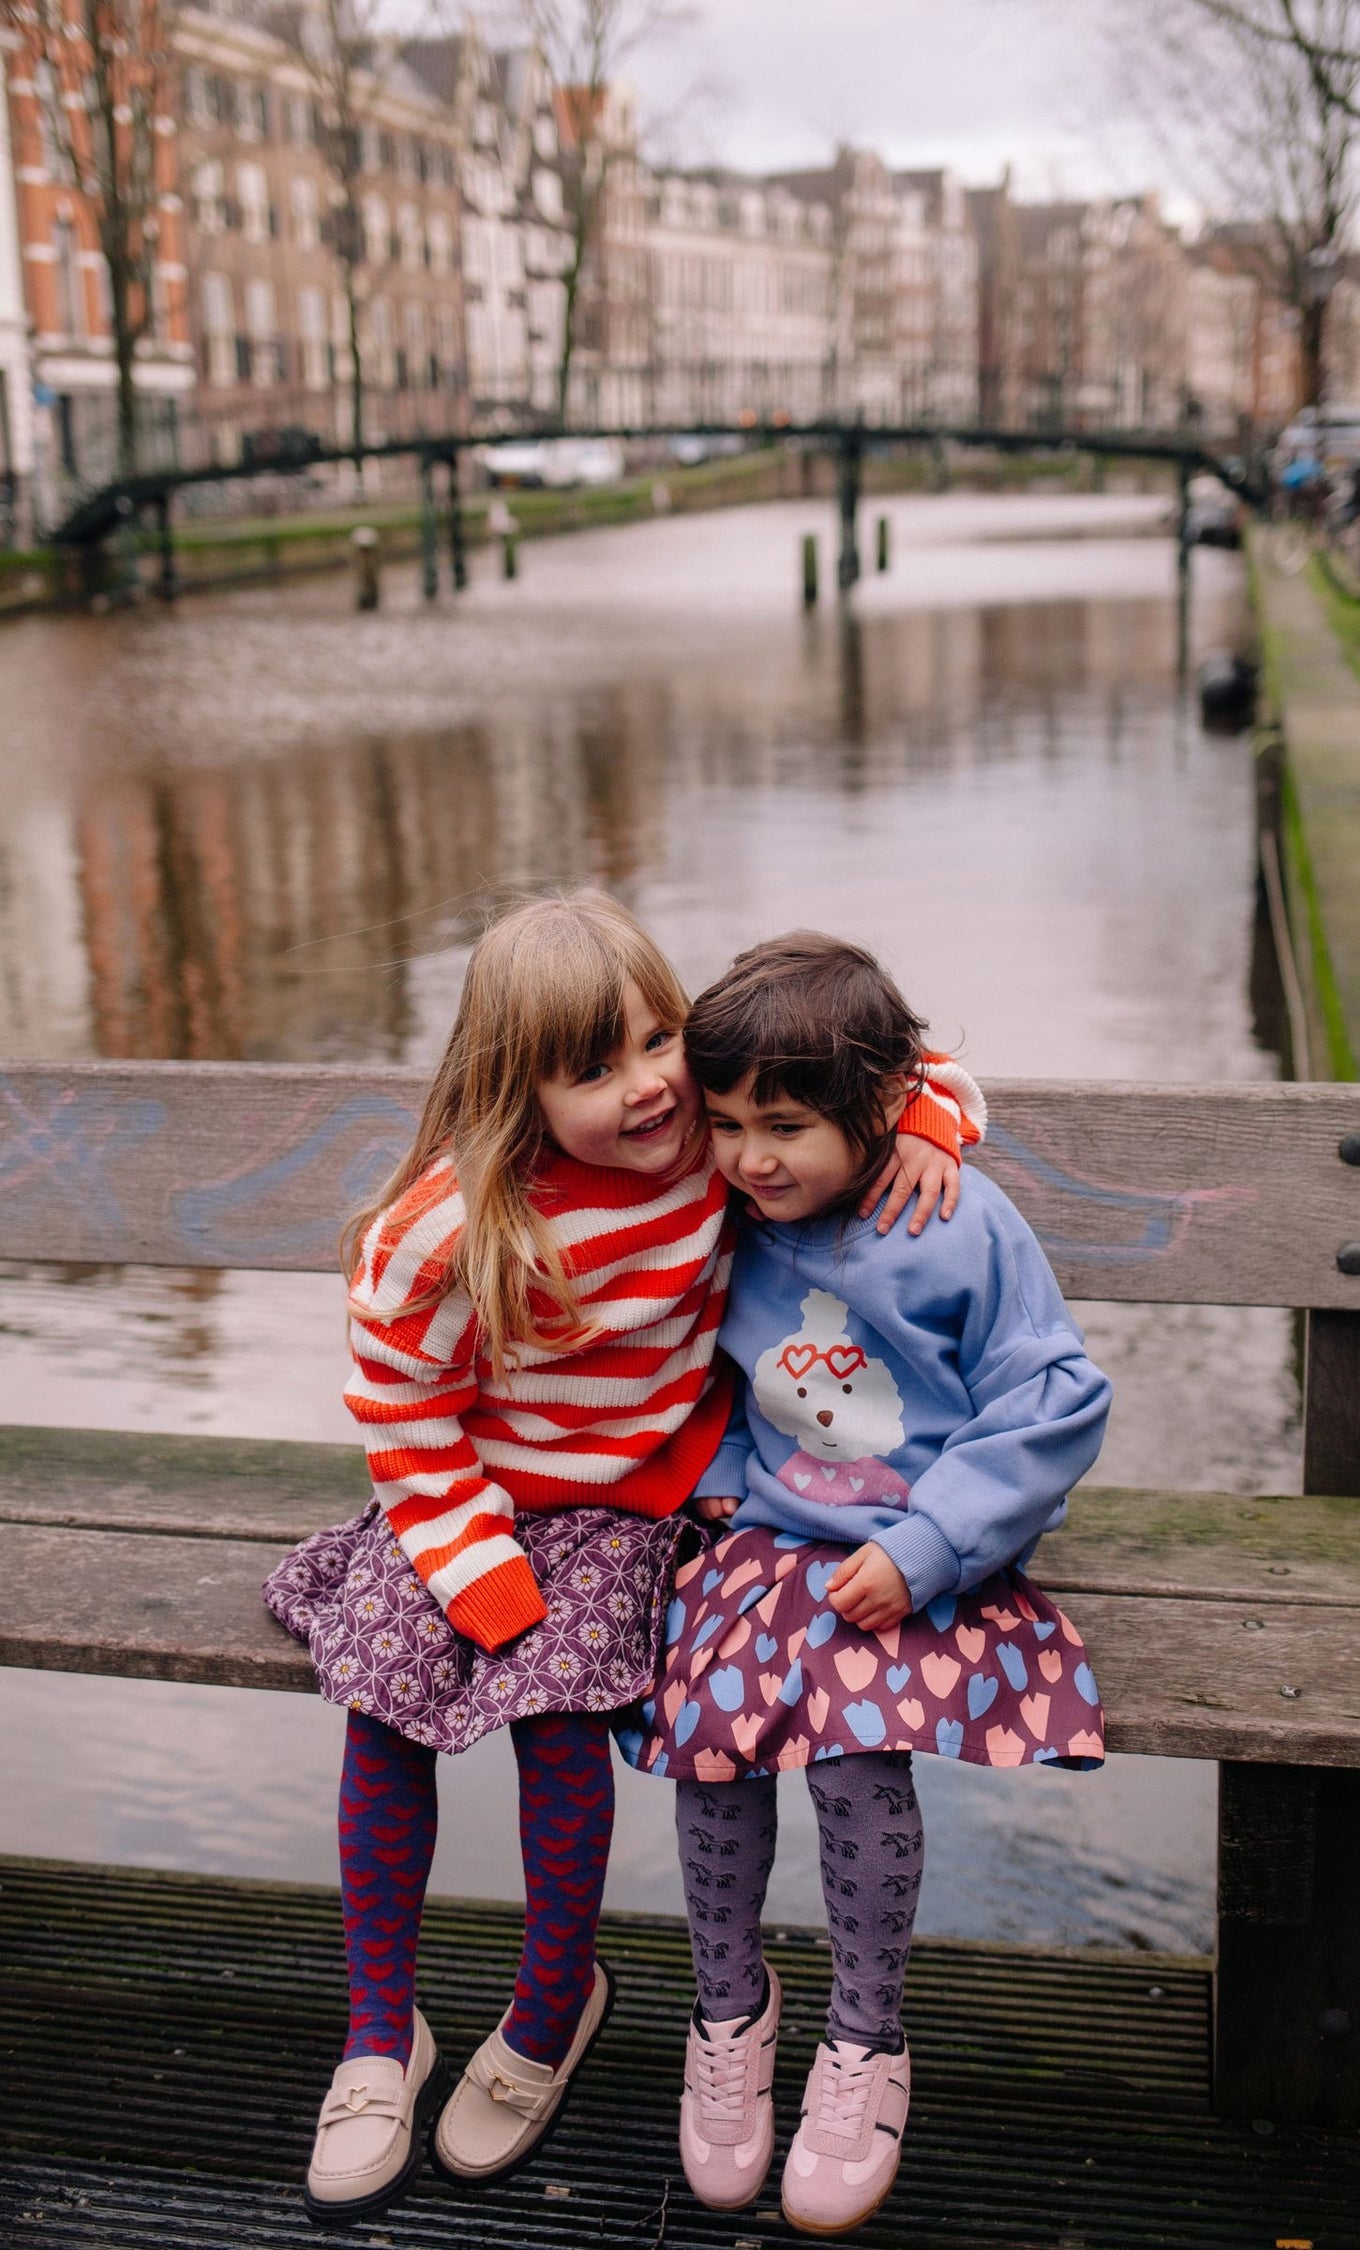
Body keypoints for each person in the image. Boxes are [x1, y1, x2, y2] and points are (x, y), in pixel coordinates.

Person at [261, 891, 979, 2225]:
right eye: (595, 1068)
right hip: (467, 1497)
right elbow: (401, 1408)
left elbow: (900, 1065)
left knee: (557, 1705)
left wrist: (931, 1123)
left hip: (634, 1506)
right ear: (514, 1085)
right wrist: (472, 1564)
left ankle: (550, 2001)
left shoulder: (722, 1144)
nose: (652, 1086)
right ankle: (378, 2029)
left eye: (659, 1040)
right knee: (384, 1700)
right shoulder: (451, 1220)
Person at [618, 932, 1111, 2238]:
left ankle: (863, 2038)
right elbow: (717, 1378)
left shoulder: (954, 1224)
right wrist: (720, 1474)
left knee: (850, 1756)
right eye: (725, 1123)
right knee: (706, 1739)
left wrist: (933, 1544)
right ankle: (729, 2008)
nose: (748, 1155)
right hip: (768, 1540)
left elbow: (1053, 1402)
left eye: (784, 1124)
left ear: (883, 1107)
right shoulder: (731, 1213)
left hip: (922, 1549)